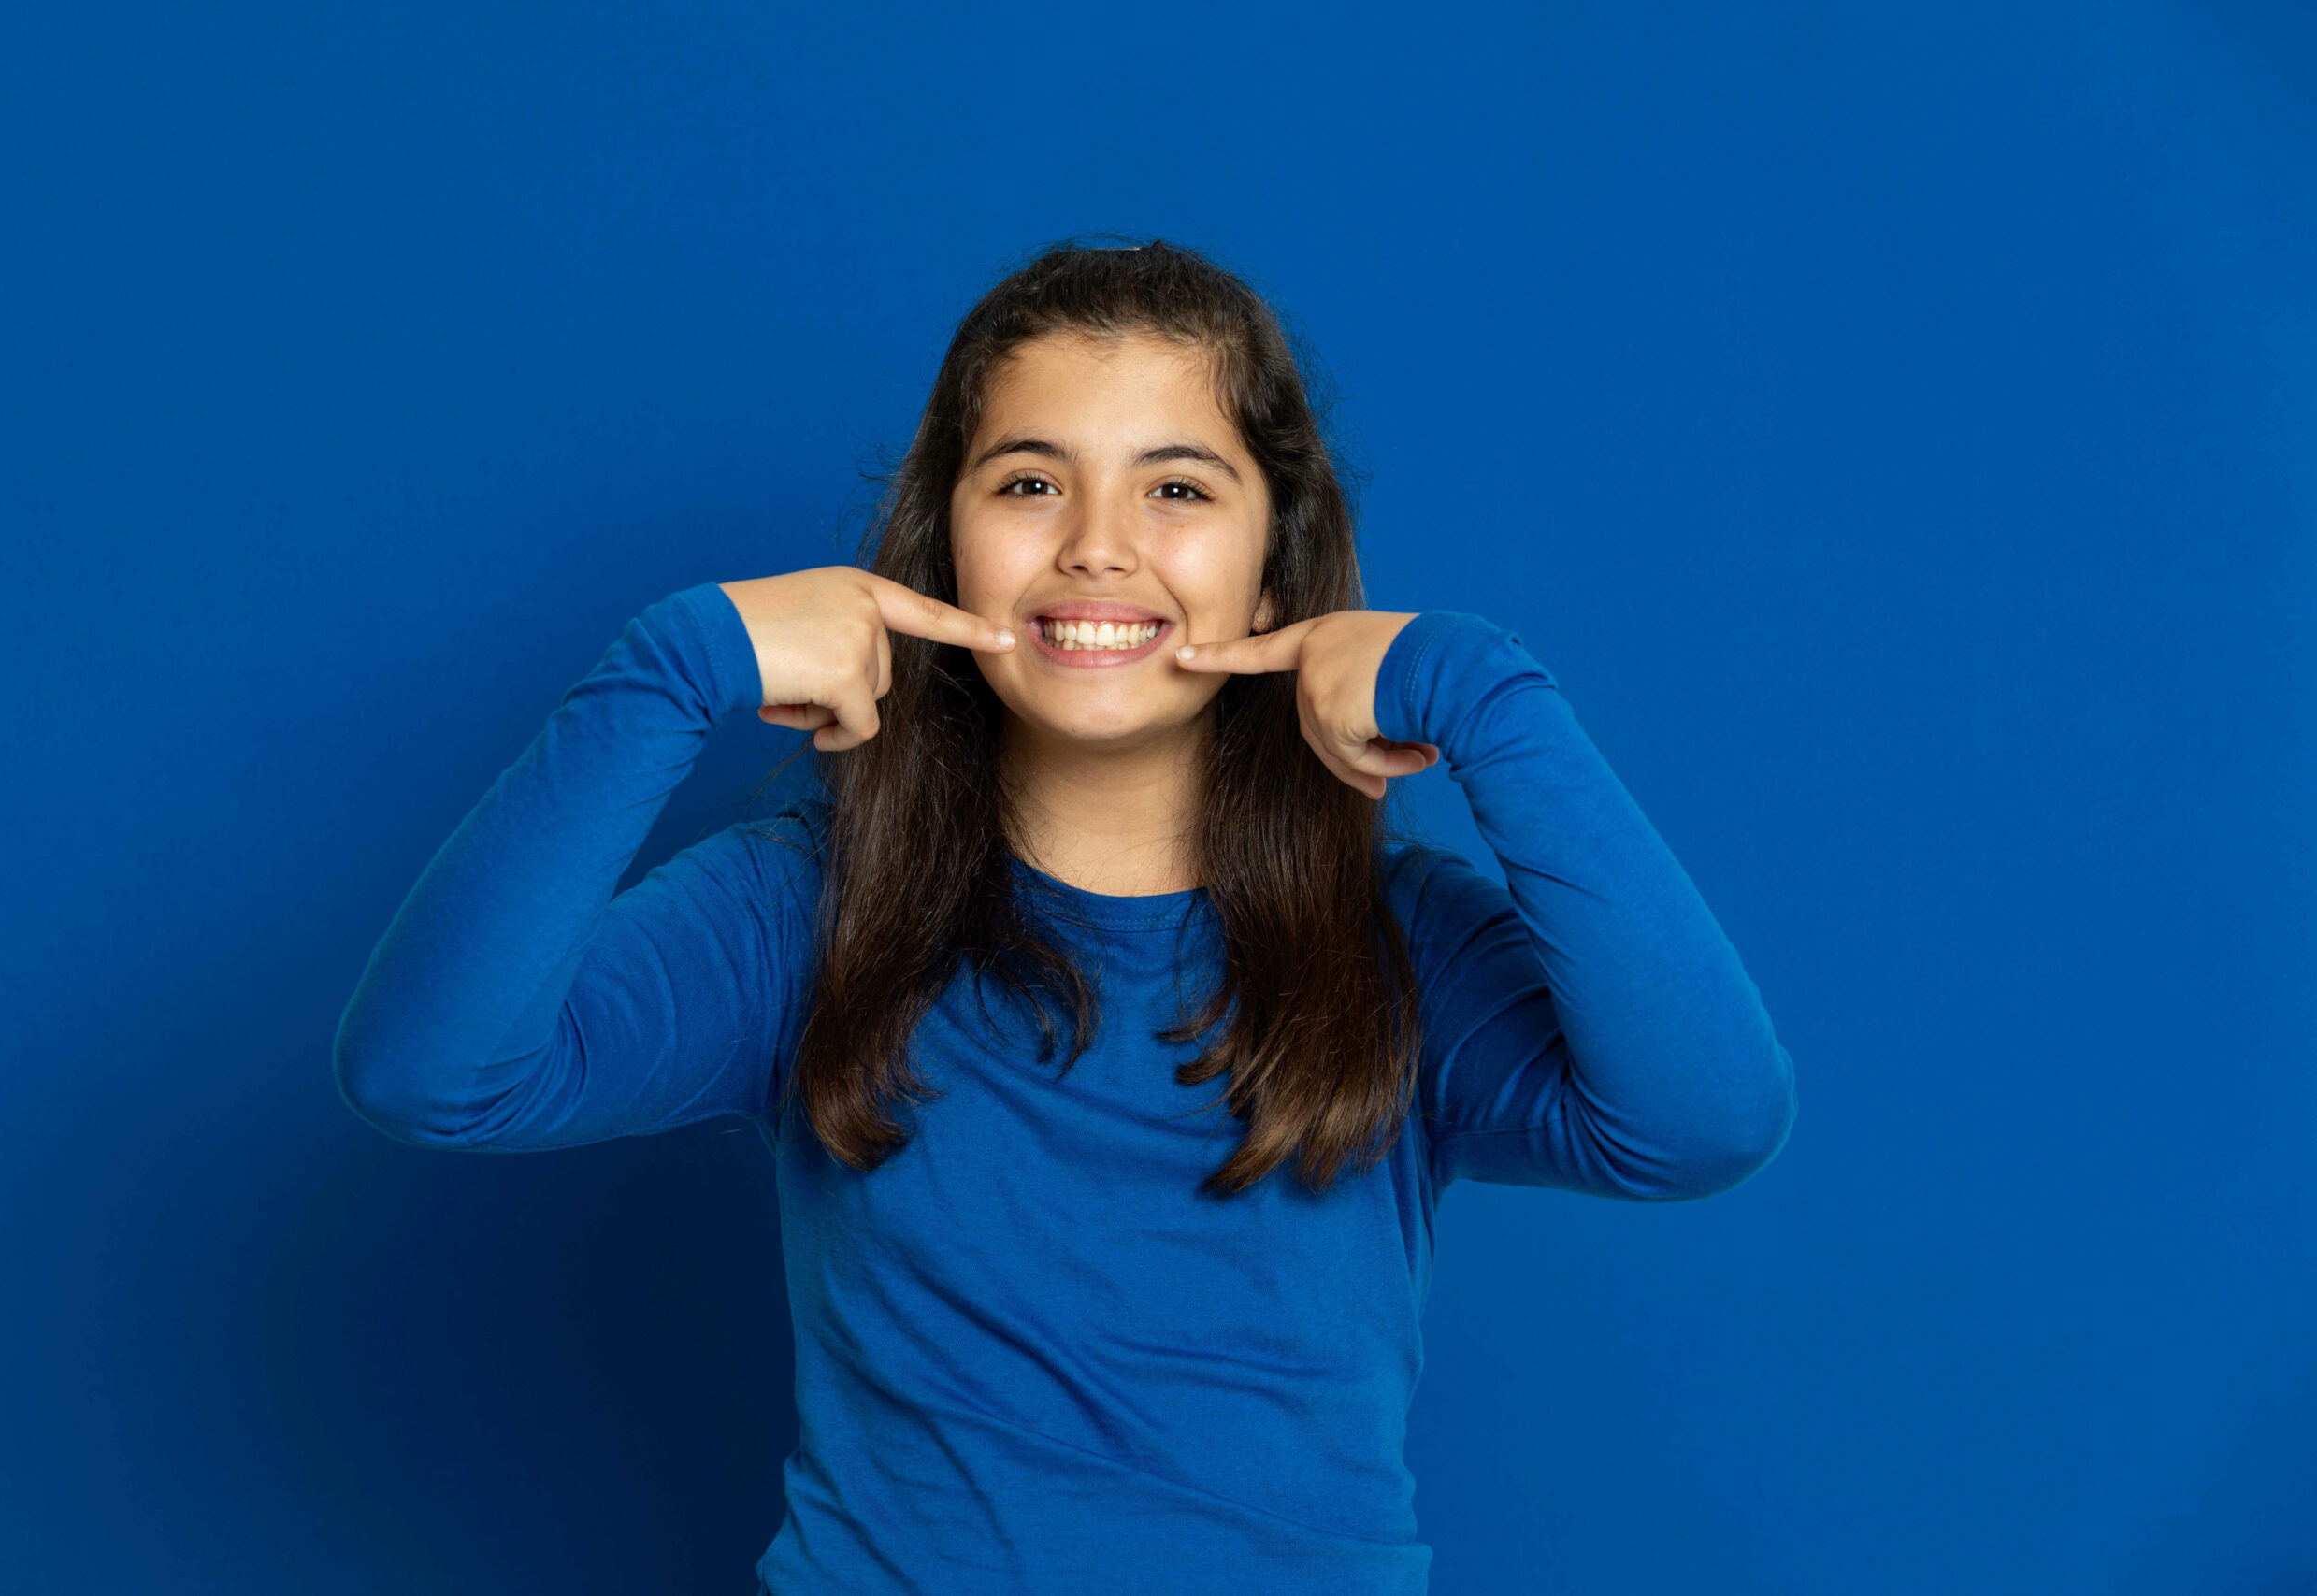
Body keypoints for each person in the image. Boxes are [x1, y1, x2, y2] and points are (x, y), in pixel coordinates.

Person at [333, 237, 1797, 1594]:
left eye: (1178, 487)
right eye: (1030, 482)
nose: (1097, 545)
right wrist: (671, 668)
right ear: (944, 537)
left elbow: (1702, 1120)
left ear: (1277, 552)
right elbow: (433, 1075)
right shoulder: (805, 906)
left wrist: (1487, 701)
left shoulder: (1397, 943)